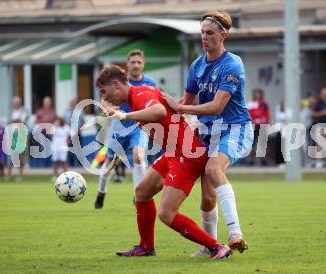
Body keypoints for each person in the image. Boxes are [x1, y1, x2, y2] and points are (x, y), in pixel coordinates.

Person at [97, 65, 232, 260]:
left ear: (116, 85)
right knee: (142, 192)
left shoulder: (140, 95)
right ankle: (146, 246)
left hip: (187, 155)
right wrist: (113, 108)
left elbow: (159, 111)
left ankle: (217, 247)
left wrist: (125, 115)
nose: (105, 97)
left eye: (104, 91)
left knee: (166, 213)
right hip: (174, 153)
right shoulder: (138, 94)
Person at [163, 11, 252, 256]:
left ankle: (235, 233)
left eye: (209, 32)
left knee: (214, 169)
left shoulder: (233, 64)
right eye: (202, 32)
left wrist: (181, 107)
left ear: (223, 35)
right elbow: (184, 103)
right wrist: (160, 109)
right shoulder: (197, 65)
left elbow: (216, 106)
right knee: (207, 198)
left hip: (236, 129)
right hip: (210, 134)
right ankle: (211, 246)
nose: (204, 37)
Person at [94, 49, 155, 209]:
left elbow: (155, 103)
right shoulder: (119, 81)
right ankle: (101, 192)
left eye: (139, 62)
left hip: (139, 126)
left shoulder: (150, 83)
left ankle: (138, 195)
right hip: (119, 127)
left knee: (138, 156)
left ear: (143, 64)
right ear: (127, 64)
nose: (136, 65)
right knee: (110, 163)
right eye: (133, 62)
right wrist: (107, 108)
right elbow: (104, 99)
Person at [7, 96, 30, 181]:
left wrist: (15, 121)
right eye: (15, 102)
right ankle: (8, 175)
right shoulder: (11, 112)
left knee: (21, 157)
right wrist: (17, 121)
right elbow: (9, 122)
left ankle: (20, 175)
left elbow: (23, 121)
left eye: (18, 102)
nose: (16, 104)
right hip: (12, 136)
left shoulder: (24, 111)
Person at [247, 88, 270, 166]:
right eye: (256, 93)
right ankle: (251, 160)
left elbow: (266, 115)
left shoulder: (264, 104)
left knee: (262, 143)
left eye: (258, 93)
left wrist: (264, 121)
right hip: (253, 126)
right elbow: (249, 114)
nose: (257, 95)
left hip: (262, 126)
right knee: (252, 143)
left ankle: (263, 159)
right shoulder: (250, 103)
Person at [35, 97, 57, 167]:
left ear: (50, 103)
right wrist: (43, 121)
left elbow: (56, 121)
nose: (47, 103)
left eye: (48, 102)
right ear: (44, 103)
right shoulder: (39, 111)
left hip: (50, 132)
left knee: (51, 148)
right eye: (46, 102)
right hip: (42, 132)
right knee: (44, 148)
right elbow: (36, 122)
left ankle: (50, 165)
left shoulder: (53, 112)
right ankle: (44, 165)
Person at [63, 98, 85, 167]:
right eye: (70, 103)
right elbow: (64, 122)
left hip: (77, 133)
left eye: (73, 103)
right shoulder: (66, 112)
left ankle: (80, 164)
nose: (71, 104)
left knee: (78, 149)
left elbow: (82, 121)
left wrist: (80, 129)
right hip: (69, 133)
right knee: (70, 149)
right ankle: (71, 164)